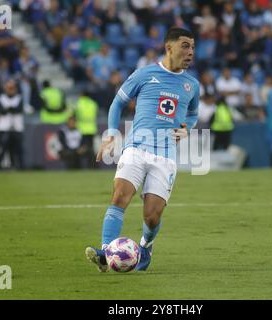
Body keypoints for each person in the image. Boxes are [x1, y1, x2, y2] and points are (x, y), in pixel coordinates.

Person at [85, 27, 199, 272]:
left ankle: (146, 245)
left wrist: (187, 128)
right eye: (185, 45)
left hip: (165, 155)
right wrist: (112, 134)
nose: (190, 52)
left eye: (192, 47)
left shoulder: (192, 85)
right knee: (119, 196)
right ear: (169, 47)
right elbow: (118, 103)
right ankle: (106, 253)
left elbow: (193, 113)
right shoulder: (145, 74)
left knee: (152, 215)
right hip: (136, 148)